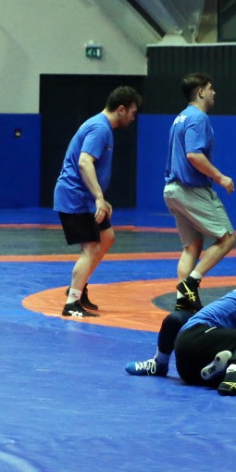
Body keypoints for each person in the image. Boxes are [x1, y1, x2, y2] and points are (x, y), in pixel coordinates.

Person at [53, 86, 143, 318]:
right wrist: (99, 197)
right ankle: (72, 302)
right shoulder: (100, 128)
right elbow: (84, 162)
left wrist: (98, 197)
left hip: (83, 197)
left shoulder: (101, 126)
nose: (133, 118)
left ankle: (78, 287)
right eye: (132, 113)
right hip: (75, 197)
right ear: (121, 109)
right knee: (91, 247)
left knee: (107, 237)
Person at [164, 73, 236, 312]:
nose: (214, 92)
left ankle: (183, 301)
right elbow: (193, 155)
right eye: (211, 88)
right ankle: (191, 284)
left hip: (172, 190)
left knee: (192, 246)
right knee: (227, 238)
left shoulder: (180, 117)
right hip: (191, 189)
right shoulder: (198, 118)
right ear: (201, 92)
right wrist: (220, 177)